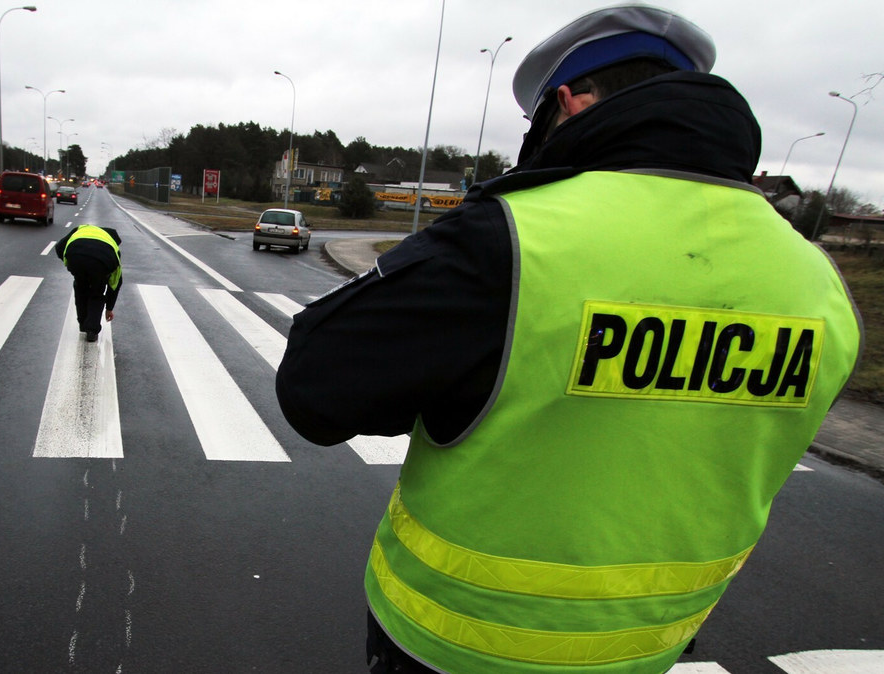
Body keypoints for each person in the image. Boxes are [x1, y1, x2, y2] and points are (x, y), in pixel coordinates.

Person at [275, 5, 862, 674]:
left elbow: (315, 389)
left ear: (567, 104)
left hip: (454, 647)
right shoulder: (818, 281)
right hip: (645, 650)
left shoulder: (516, 237)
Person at [54, 223, 123, 342]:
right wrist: (109, 308)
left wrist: (69, 262)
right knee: (96, 294)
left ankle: (82, 323)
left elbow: (59, 247)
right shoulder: (112, 246)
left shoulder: (81, 229)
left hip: (75, 256)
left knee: (80, 288)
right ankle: (91, 329)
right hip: (101, 263)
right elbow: (116, 283)